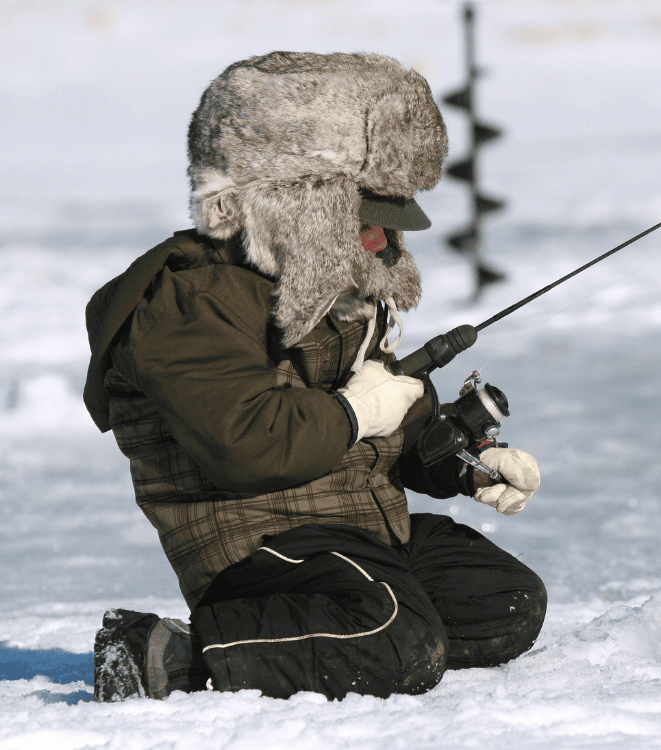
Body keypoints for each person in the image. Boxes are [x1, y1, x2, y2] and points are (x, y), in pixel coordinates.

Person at [83, 51, 546, 701]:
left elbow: (397, 426)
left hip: (357, 528)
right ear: (295, 206)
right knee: (399, 638)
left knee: (503, 603)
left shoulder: (337, 290)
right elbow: (246, 445)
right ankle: (167, 654)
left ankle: (349, 636)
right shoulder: (190, 302)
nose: (384, 241)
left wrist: (465, 462)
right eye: (367, 220)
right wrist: (357, 413)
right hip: (257, 545)